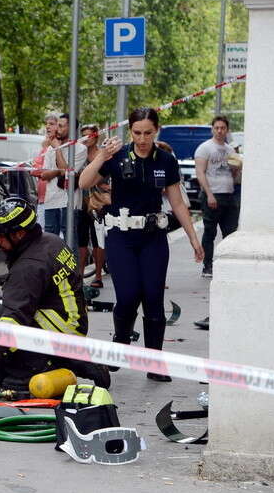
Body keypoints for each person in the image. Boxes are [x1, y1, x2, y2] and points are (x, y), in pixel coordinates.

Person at [79, 108, 203, 382]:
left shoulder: (167, 160)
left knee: (153, 299)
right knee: (127, 295)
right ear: (130, 131)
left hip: (153, 238)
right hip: (121, 237)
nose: (143, 138)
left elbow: (178, 203)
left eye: (148, 132)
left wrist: (194, 239)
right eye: (137, 132)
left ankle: (155, 364)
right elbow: (84, 182)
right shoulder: (118, 155)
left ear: (156, 130)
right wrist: (102, 155)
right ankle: (121, 341)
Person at [0, 196, 111, 389]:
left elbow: (16, 316)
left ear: (19, 234)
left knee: (2, 329)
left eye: (0, 235)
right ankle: (74, 360)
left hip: (61, 330)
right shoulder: (50, 241)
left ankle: (41, 367)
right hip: (72, 321)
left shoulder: (29, 266)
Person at [194, 115, 240, 279]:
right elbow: (200, 173)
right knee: (210, 232)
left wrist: (236, 170)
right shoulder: (204, 148)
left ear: (227, 130)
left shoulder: (230, 150)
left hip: (229, 195)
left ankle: (227, 264)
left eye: (223, 128)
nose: (220, 131)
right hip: (212, 195)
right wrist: (209, 195)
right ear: (212, 129)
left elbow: (234, 174)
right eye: (217, 128)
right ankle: (208, 266)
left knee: (230, 233)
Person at [36, 114, 86, 240]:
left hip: (69, 202)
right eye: (57, 125)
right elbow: (44, 175)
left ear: (71, 129)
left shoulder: (80, 149)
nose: (57, 129)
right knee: (49, 241)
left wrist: (58, 149)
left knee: (70, 241)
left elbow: (66, 172)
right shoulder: (49, 148)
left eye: (61, 126)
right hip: (51, 201)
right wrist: (59, 171)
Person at [77, 124, 107, 288]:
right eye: (84, 136)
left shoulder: (101, 155)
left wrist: (104, 184)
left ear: (96, 137)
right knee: (81, 240)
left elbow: (108, 176)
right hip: (80, 202)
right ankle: (79, 276)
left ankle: (98, 276)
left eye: (89, 136)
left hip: (98, 203)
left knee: (98, 240)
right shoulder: (79, 155)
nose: (86, 139)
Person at [32, 113, 58, 226]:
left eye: (51, 124)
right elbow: (34, 170)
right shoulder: (46, 146)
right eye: (47, 124)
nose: (47, 127)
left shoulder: (59, 146)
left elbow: (37, 170)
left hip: (55, 200)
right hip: (43, 199)